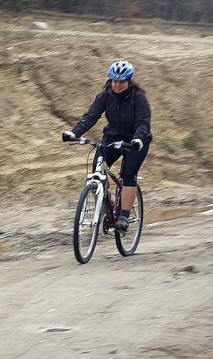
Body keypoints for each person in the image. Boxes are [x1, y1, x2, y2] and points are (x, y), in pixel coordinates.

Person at [62, 60, 152, 233]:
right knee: (98, 169)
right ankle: (103, 204)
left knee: (128, 175)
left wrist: (138, 139)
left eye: (121, 81)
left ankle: (124, 216)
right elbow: (90, 117)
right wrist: (75, 133)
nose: (117, 85)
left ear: (128, 81)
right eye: (114, 81)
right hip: (112, 137)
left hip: (136, 142)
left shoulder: (138, 98)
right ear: (110, 81)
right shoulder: (106, 96)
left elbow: (143, 123)